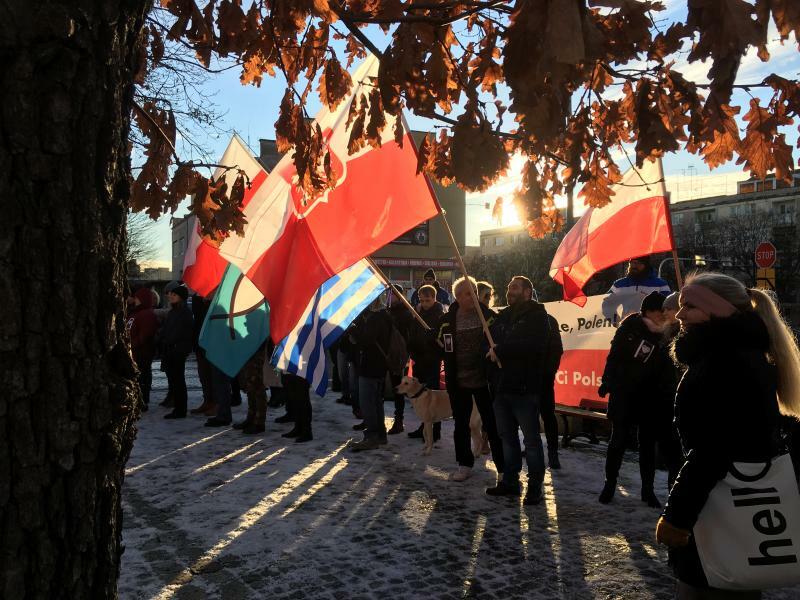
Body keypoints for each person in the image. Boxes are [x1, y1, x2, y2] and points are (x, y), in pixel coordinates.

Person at [655, 272, 800, 598]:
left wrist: (677, 516)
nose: (679, 315)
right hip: (724, 502)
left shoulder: (726, 360)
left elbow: (715, 446)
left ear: (717, 310)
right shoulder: (733, 353)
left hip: (718, 505)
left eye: (689, 307)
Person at [597, 292, 678, 507]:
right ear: (647, 311)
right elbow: (613, 358)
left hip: (652, 397)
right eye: (658, 310)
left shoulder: (669, 334)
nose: (663, 314)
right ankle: (610, 484)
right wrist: (607, 382)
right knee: (618, 441)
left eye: (664, 310)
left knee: (647, 445)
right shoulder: (630, 328)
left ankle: (647, 490)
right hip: (624, 393)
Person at [485, 276, 551, 504]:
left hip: (525, 388)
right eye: (508, 286)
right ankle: (510, 482)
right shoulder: (503, 316)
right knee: (507, 438)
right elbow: (491, 340)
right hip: (502, 387)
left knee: (531, 441)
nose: (509, 290)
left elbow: (533, 347)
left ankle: (535, 487)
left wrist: (502, 350)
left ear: (526, 292)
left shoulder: (537, 317)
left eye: (514, 287)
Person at [438, 276, 504, 482]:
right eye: (467, 293)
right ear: (457, 297)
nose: (473, 297)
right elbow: (438, 341)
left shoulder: (489, 317)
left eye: (474, 292)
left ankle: (503, 468)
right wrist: (432, 338)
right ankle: (464, 464)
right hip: (459, 382)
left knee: (493, 425)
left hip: (485, 381)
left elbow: (501, 338)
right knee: (461, 425)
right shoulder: (448, 320)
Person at [349, 297, 393, 451]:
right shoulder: (383, 315)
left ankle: (372, 436)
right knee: (376, 403)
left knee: (368, 403)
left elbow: (366, 340)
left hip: (371, 366)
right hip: (377, 365)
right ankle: (380, 435)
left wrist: (352, 328)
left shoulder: (377, 317)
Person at [407, 284, 446, 442]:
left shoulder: (440, 315)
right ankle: (424, 427)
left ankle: (435, 431)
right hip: (419, 360)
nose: (424, 303)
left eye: (427, 300)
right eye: (422, 300)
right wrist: (412, 348)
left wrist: (433, 339)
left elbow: (442, 340)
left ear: (434, 298)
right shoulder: (418, 313)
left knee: (432, 398)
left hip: (432, 361)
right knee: (420, 397)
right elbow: (413, 333)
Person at [159, 284, 194, 419]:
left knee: (179, 381)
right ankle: (178, 408)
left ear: (181, 297)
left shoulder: (185, 312)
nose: (170, 297)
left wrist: (171, 342)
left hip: (178, 350)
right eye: (171, 295)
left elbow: (181, 332)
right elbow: (167, 329)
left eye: (174, 295)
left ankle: (180, 409)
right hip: (171, 349)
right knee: (174, 380)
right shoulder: (174, 311)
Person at [387, 285, 414, 435]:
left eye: (393, 294)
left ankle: (399, 420)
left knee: (398, 389)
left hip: (399, 356)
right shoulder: (387, 311)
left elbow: (407, 337)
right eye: (389, 294)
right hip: (386, 355)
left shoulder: (405, 313)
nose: (390, 297)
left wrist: (406, 355)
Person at [128, 286, 159, 412]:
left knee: (142, 378)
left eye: (137, 298)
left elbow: (145, 335)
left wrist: (131, 345)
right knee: (138, 378)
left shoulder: (146, 314)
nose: (135, 300)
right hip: (135, 352)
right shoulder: (135, 312)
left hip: (142, 353)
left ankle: (142, 401)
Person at [540, 310, 564, 469]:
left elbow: (556, 349)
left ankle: (553, 453)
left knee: (548, 416)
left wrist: (549, 372)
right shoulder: (518, 319)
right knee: (529, 417)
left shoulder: (549, 320)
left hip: (543, 380)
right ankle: (531, 448)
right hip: (525, 380)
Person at [190, 292, 217, 417]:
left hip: (212, 343)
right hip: (200, 342)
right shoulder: (198, 302)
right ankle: (208, 400)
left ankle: (216, 404)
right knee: (204, 375)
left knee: (214, 377)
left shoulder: (215, 303)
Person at [237, 344, 268, 434]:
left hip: (256, 348)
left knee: (257, 385)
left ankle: (259, 422)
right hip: (248, 347)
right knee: (250, 385)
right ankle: (251, 417)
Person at [281, 373, 313, 442]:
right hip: (289, 367)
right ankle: (298, 427)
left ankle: (306, 430)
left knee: (301, 398)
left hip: (300, 368)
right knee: (293, 398)